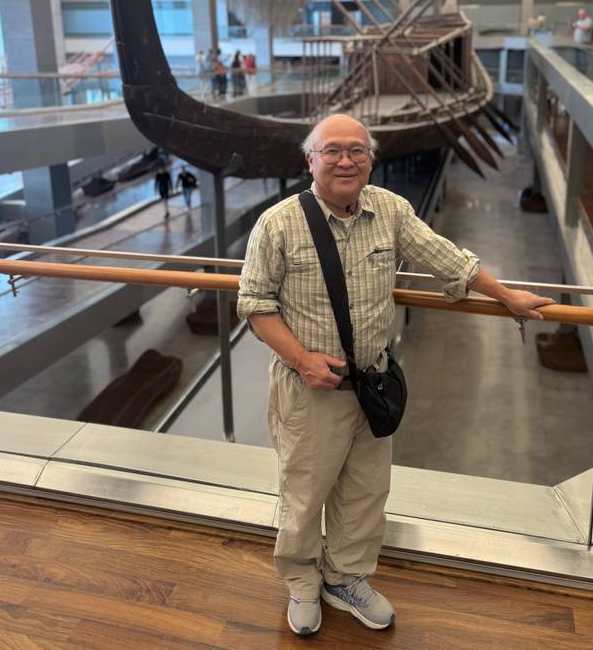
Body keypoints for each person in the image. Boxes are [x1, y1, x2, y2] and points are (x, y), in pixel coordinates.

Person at [237, 114, 554, 636]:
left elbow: (449, 260)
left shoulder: (390, 210)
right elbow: (255, 304)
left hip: (372, 385)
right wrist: (302, 359)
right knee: (304, 492)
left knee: (366, 491)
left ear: (371, 159)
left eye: (357, 150)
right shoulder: (278, 224)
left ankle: (347, 578)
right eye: (333, 150)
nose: (346, 160)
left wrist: (508, 297)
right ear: (309, 160)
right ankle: (300, 582)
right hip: (309, 390)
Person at [571, 8, 593, 73]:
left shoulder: (588, 20)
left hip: (584, 42)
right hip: (577, 42)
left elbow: (585, 28)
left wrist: (577, 25)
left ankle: (583, 71)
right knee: (578, 58)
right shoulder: (579, 21)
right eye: (579, 15)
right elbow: (577, 29)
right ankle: (578, 70)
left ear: (584, 14)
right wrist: (573, 26)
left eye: (581, 15)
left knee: (583, 58)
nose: (580, 16)